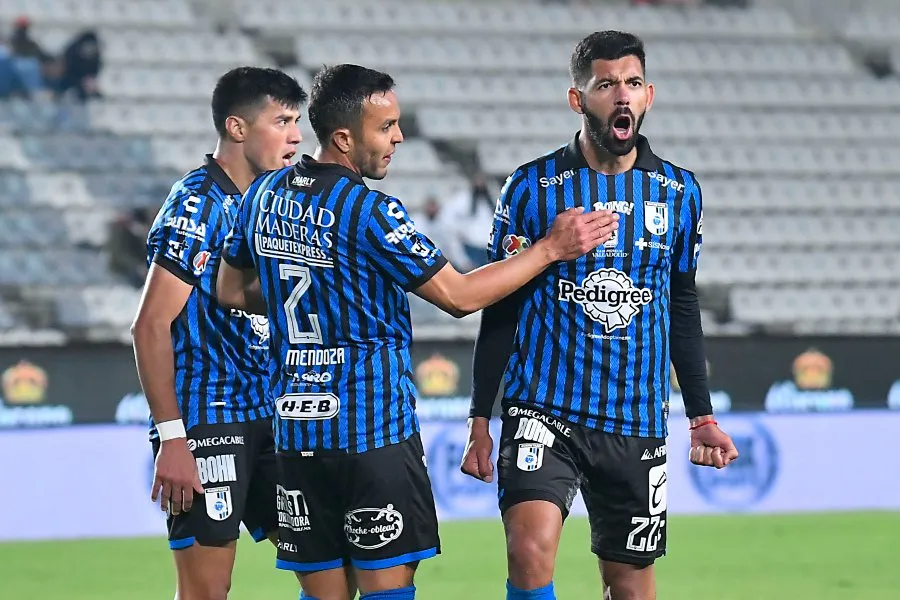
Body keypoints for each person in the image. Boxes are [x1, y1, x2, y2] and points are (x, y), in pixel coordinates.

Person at [215, 63, 618, 600]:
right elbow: (459, 296)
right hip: (371, 433)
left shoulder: (264, 194)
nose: (399, 137)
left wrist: (320, 290)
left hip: (296, 433)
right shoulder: (369, 211)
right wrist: (549, 249)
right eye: (385, 127)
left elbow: (230, 291)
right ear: (344, 138)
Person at [460, 31, 739, 600]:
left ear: (649, 95)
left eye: (632, 83)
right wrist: (480, 417)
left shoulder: (679, 192)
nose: (622, 95)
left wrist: (701, 415)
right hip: (543, 408)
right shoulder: (532, 188)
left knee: (630, 588)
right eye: (606, 84)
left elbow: (682, 305)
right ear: (578, 99)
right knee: (529, 551)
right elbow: (502, 307)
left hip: (634, 418)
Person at [130, 67, 314, 600]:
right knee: (207, 590)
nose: (296, 137)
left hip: (274, 416)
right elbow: (149, 324)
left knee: (328, 570)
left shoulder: (273, 201)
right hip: (209, 418)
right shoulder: (197, 204)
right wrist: (173, 438)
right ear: (237, 127)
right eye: (281, 121)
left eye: (297, 122)